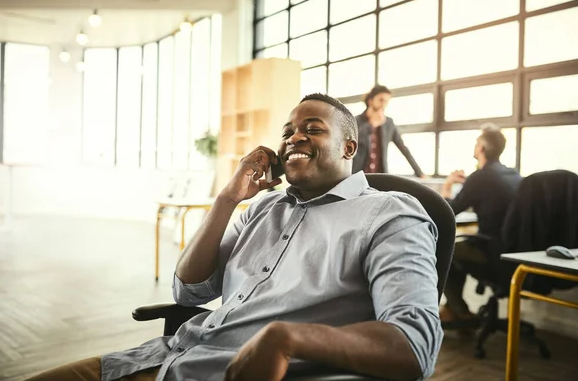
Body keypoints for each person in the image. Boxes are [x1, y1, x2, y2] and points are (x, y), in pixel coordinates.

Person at [27, 93, 443, 381]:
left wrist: (287, 337)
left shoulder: (389, 213)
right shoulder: (264, 207)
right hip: (162, 357)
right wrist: (227, 199)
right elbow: (190, 291)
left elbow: (414, 345)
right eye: (288, 131)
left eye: (312, 129)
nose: (294, 136)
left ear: (349, 148)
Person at [439, 125, 522, 323]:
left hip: (493, 251)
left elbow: (447, 212)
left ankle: (460, 312)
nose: (475, 146)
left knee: (444, 249)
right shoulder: (513, 174)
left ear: (481, 148)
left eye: (477, 142)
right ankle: (453, 309)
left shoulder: (480, 178)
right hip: (516, 251)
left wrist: (448, 185)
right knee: (459, 249)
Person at [352, 85, 424, 177]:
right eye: (381, 100)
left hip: (380, 178)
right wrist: (371, 125)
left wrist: (419, 173)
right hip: (358, 176)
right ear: (370, 101)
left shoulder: (388, 123)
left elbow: (403, 148)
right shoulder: (355, 121)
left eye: (386, 101)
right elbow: (351, 143)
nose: (384, 104)